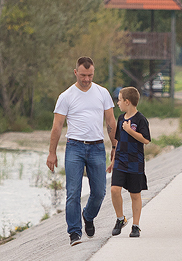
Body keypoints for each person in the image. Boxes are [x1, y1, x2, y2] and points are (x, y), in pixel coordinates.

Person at [47, 56, 116, 246]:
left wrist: (115, 146)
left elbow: (110, 122)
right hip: (74, 147)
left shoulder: (102, 93)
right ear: (76, 72)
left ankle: (88, 215)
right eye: (83, 75)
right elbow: (57, 126)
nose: (86, 79)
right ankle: (74, 232)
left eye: (90, 75)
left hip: (97, 147)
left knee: (100, 191)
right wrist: (52, 153)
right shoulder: (66, 96)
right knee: (73, 192)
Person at [107, 86, 150, 238]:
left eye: (119, 100)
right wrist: (113, 161)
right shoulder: (120, 119)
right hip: (120, 160)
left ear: (127, 101)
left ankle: (136, 226)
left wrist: (130, 130)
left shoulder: (140, 119)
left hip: (135, 162)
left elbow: (146, 140)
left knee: (135, 195)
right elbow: (118, 141)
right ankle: (120, 219)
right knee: (114, 190)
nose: (117, 103)